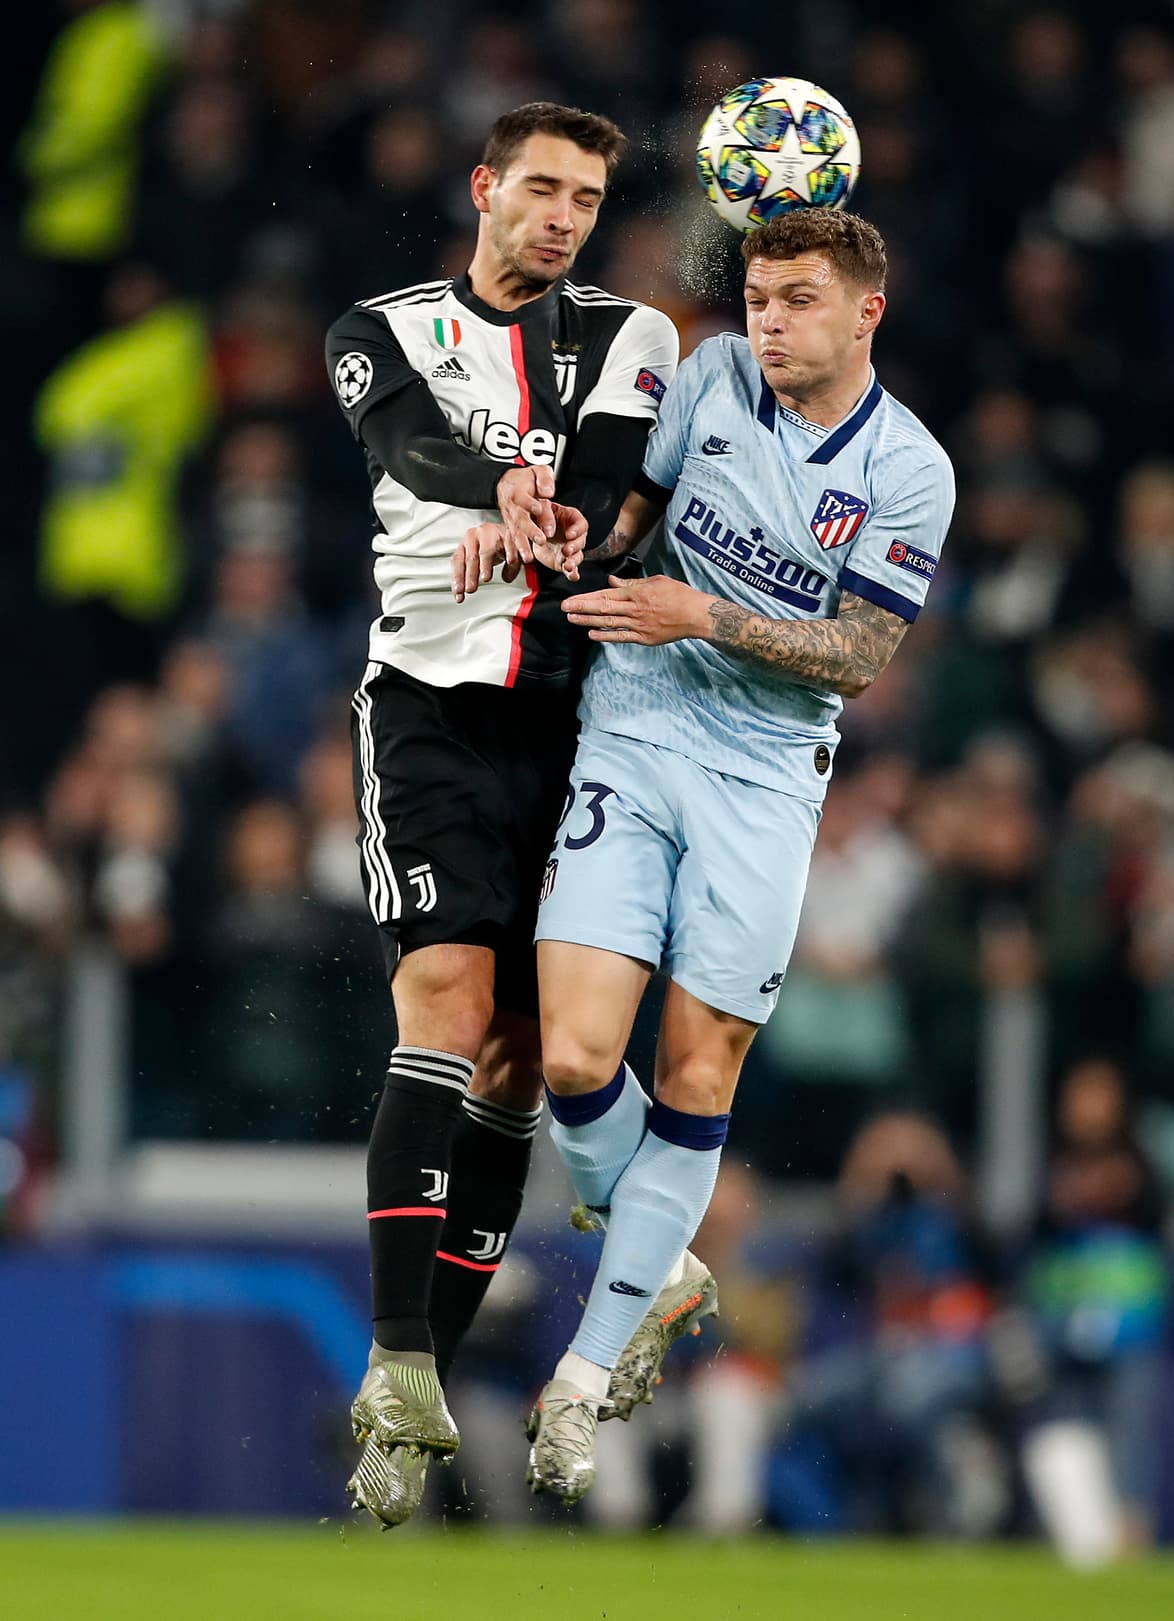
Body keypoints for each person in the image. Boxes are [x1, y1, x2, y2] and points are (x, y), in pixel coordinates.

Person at [520, 207, 954, 1502]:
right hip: (638, 722)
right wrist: (581, 540)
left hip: (767, 779)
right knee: (572, 1054)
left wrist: (700, 607)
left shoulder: (907, 469)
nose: (768, 321)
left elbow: (865, 655)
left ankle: (589, 1372)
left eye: (798, 300)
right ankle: (666, 1267)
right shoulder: (708, 377)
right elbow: (637, 511)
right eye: (759, 296)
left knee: (697, 1065)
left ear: (865, 311)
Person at [324, 101, 678, 1527]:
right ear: (483, 187)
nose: (562, 218)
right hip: (425, 712)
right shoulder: (380, 326)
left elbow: (604, 476)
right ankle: (396, 1353)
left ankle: (424, 1390)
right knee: (449, 998)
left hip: (574, 729)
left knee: (525, 1061)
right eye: (540, 189)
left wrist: (564, 514)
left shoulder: (629, 333)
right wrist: (503, 486)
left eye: (586, 200)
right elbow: (409, 445)